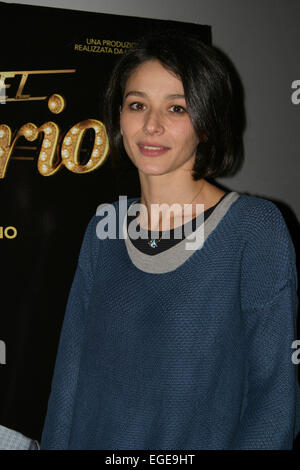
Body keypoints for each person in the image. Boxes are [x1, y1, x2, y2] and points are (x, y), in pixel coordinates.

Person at [39, 31, 300, 450]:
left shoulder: (254, 229)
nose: (151, 125)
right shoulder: (103, 228)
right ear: (118, 116)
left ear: (208, 123)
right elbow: (68, 379)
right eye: (137, 104)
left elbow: (273, 401)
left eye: (176, 108)